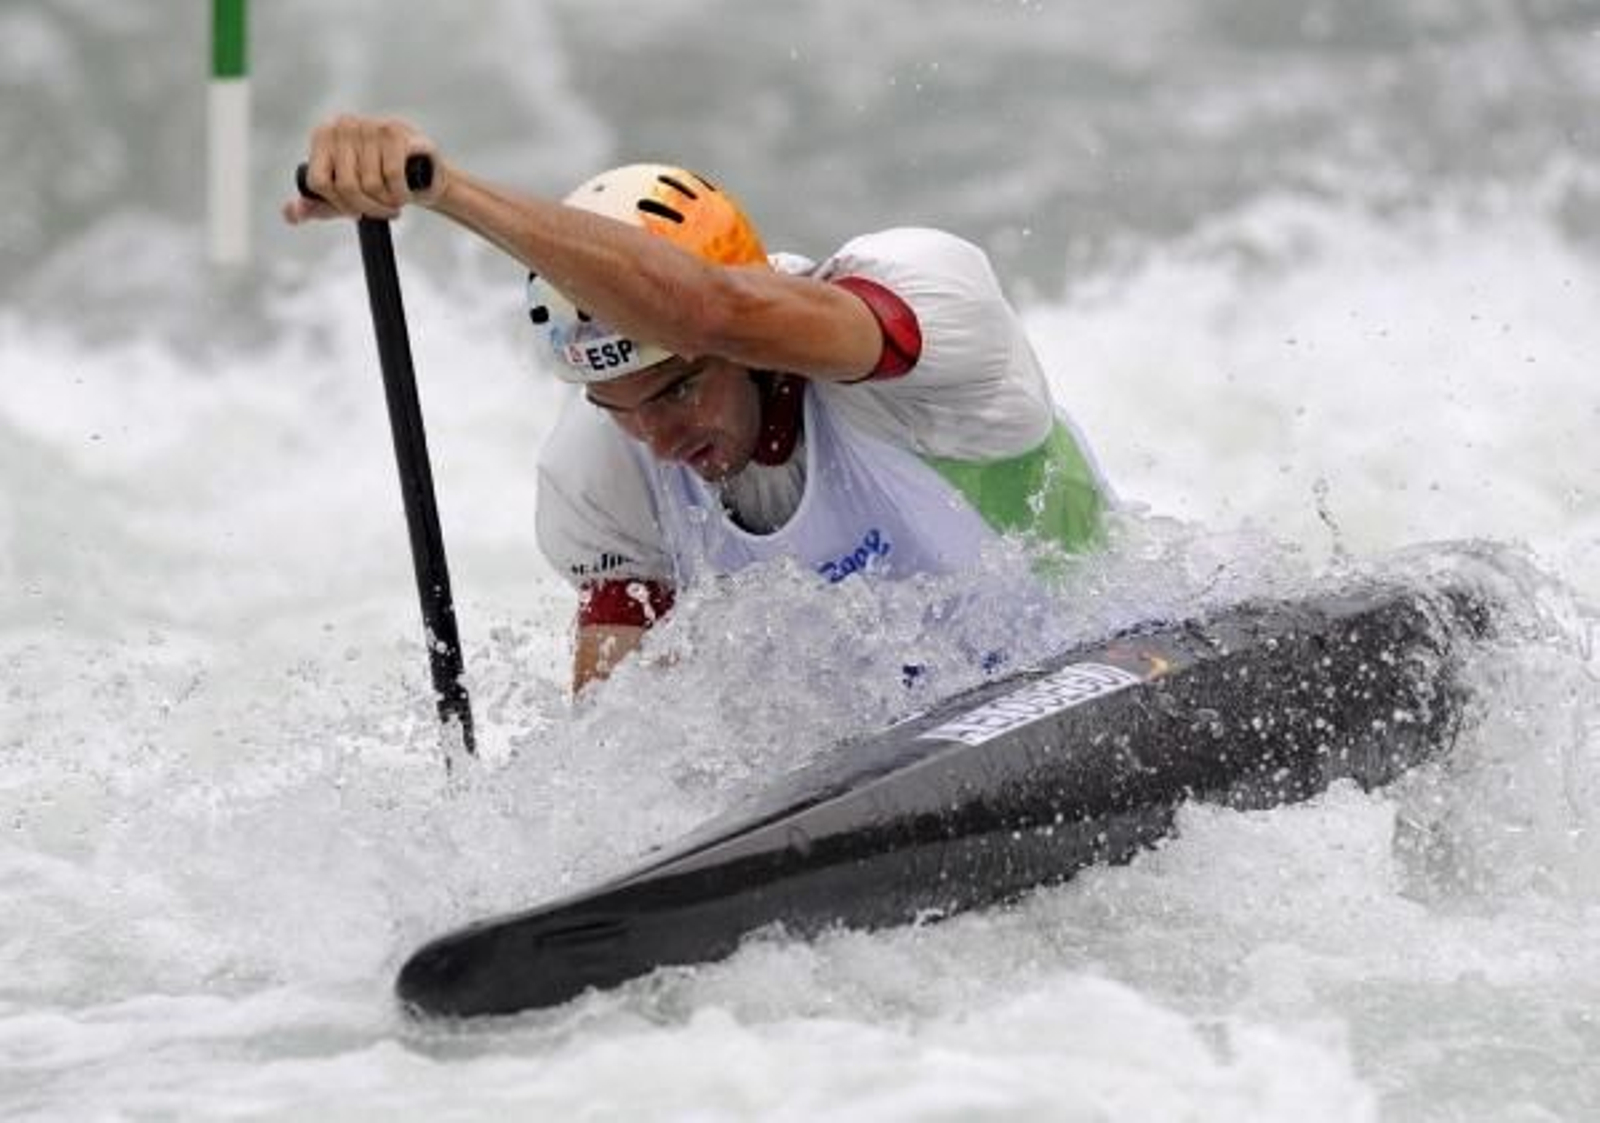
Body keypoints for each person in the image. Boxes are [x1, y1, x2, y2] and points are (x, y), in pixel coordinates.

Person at [287, 115, 1111, 692]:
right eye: (618, 405)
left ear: (749, 344)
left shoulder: (925, 318)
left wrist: (444, 191)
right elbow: (617, 744)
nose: (655, 437)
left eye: (678, 387)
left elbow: (711, 310)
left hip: (1103, 653)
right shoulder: (598, 465)